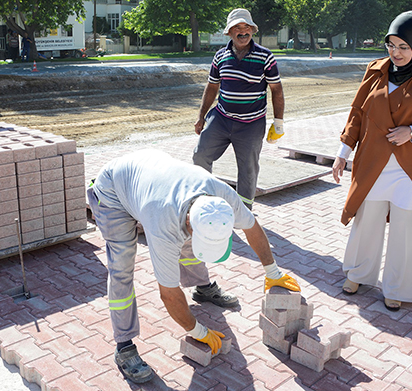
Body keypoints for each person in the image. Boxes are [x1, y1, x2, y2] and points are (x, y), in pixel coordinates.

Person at [88, 149, 300, 383]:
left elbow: (252, 228)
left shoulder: (222, 199)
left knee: (188, 244)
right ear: (190, 221)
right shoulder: (162, 225)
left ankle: (202, 288)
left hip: (152, 179)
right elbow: (168, 294)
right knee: (122, 267)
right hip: (112, 192)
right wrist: (197, 331)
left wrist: (273, 272)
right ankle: (124, 345)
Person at [331, 11, 412, 312]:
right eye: (391, 45)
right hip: (373, 163)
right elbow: (357, 114)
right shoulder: (375, 70)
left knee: (407, 229)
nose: (396, 53)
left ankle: (398, 288)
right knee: (367, 223)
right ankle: (359, 275)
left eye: (403, 47)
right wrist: (342, 153)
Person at [192, 8, 285, 211]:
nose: (243, 32)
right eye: (237, 27)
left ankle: (244, 212)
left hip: (251, 123)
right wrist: (201, 117)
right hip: (222, 118)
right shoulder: (220, 56)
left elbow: (276, 90)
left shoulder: (265, 57)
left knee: (248, 169)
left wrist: (278, 123)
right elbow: (212, 87)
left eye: (246, 27)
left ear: (252, 29)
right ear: (229, 32)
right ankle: (204, 202)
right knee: (200, 155)